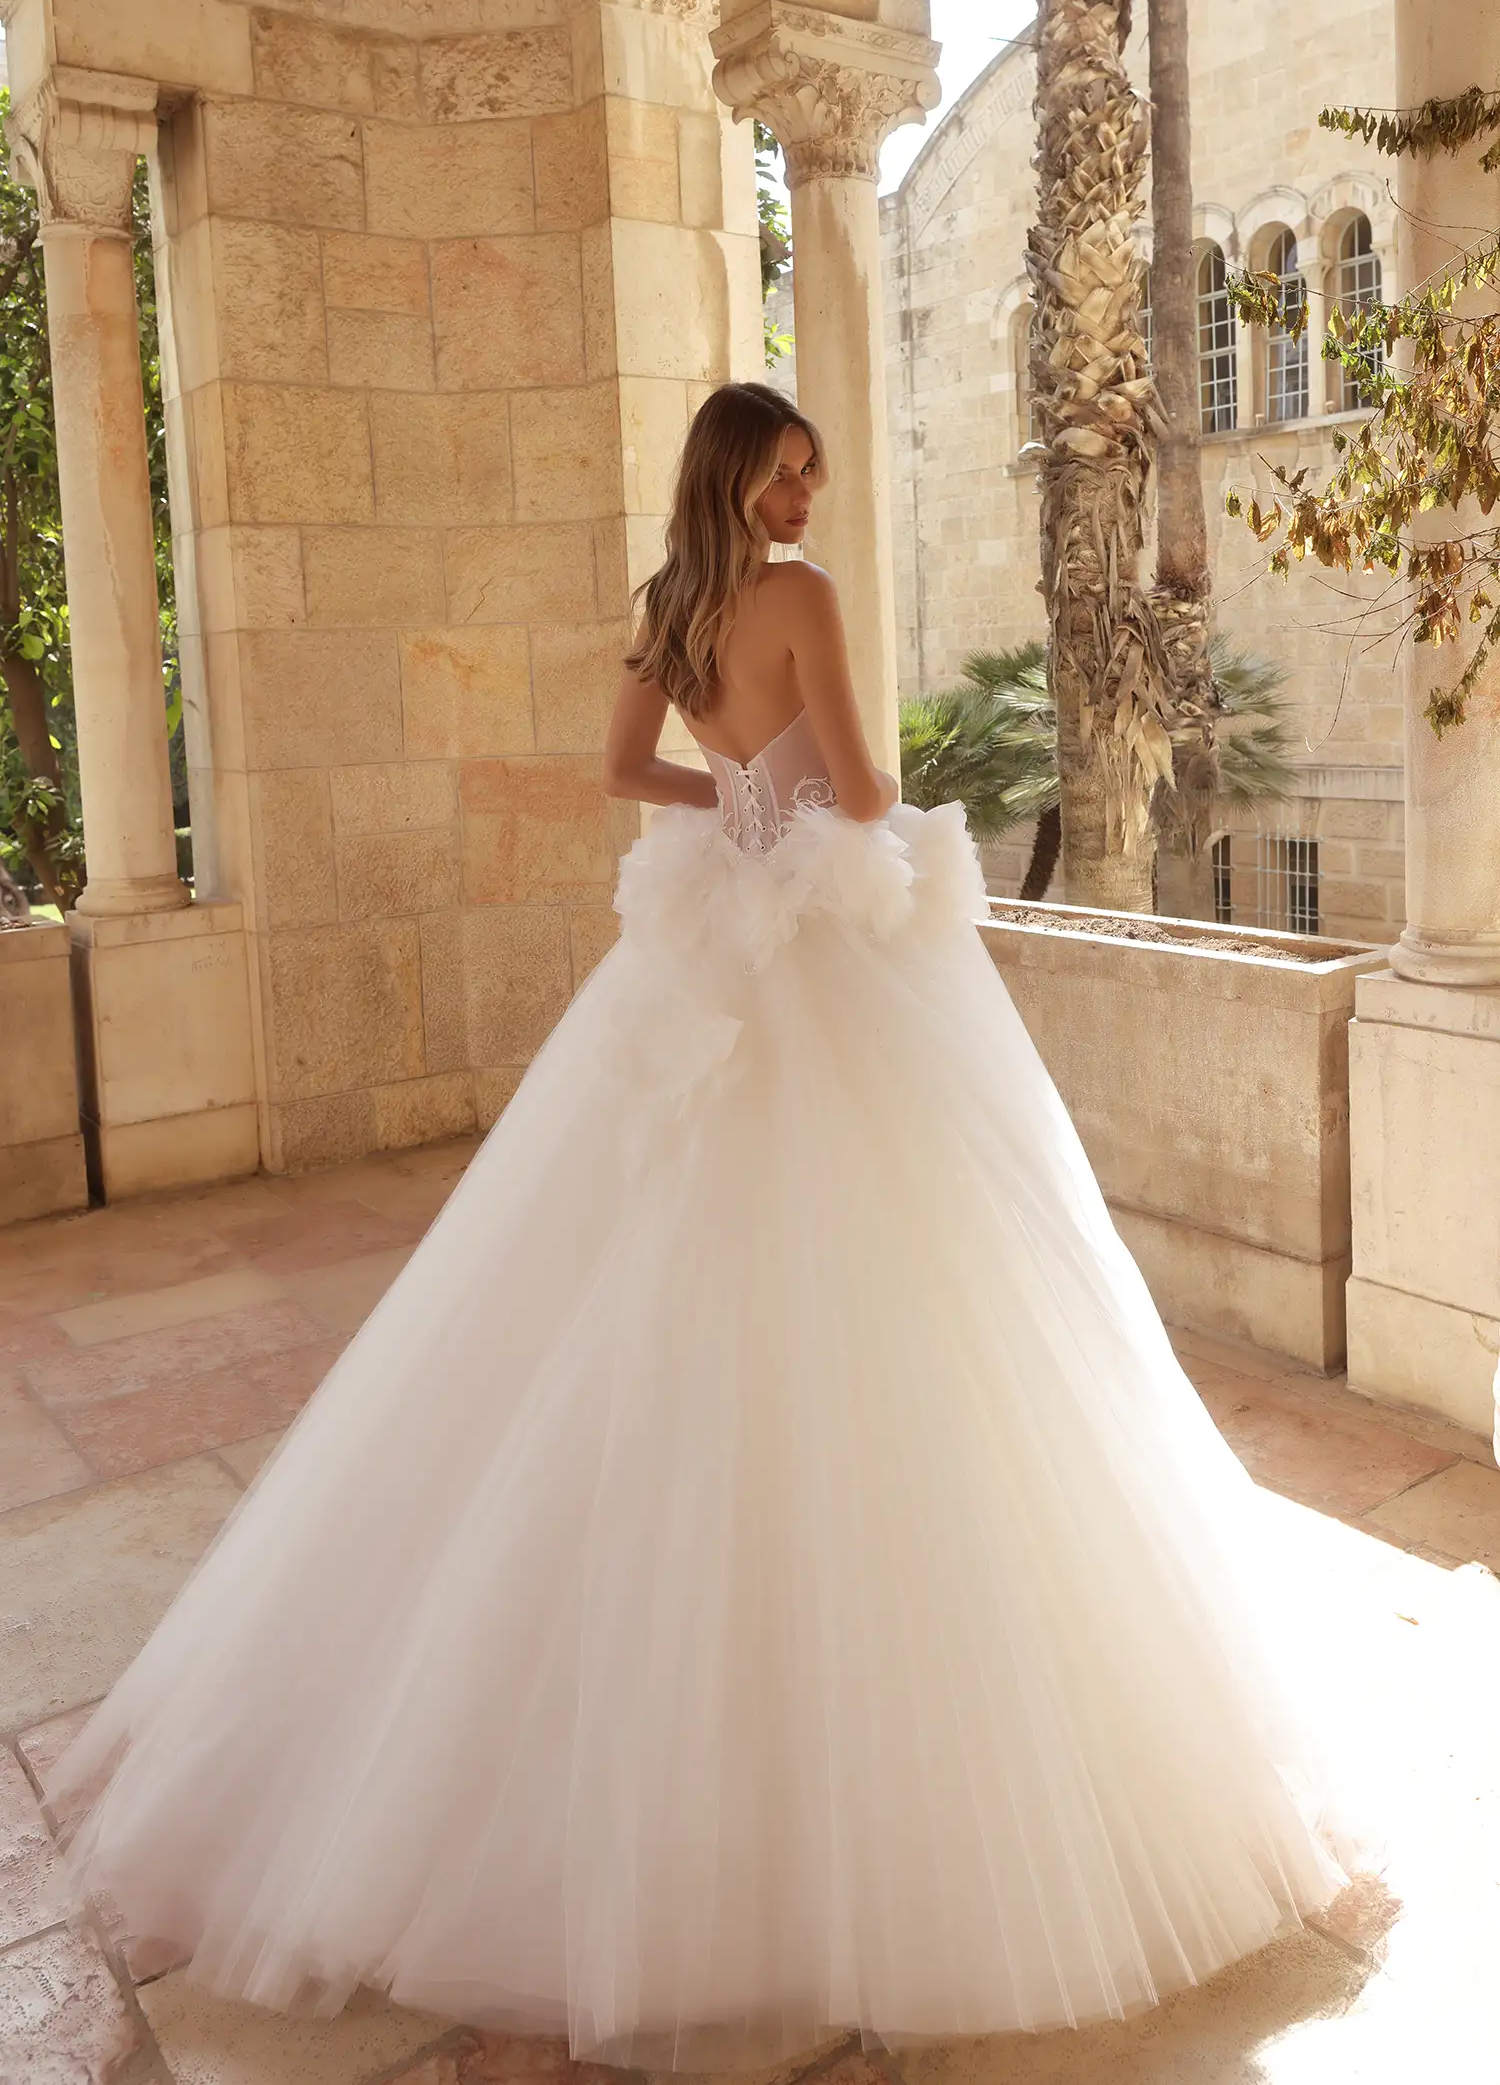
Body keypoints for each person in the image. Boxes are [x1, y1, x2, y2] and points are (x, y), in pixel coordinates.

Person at [50, 381, 1357, 2072]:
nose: (809, 494)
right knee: (914, 1287)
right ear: (740, 475)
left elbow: (617, 767)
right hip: (820, 948)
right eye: (791, 468)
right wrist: (805, 809)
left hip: (712, 934)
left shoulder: (673, 604)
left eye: (815, 470)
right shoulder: (801, 599)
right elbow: (874, 793)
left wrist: (733, 806)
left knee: (633, 1276)